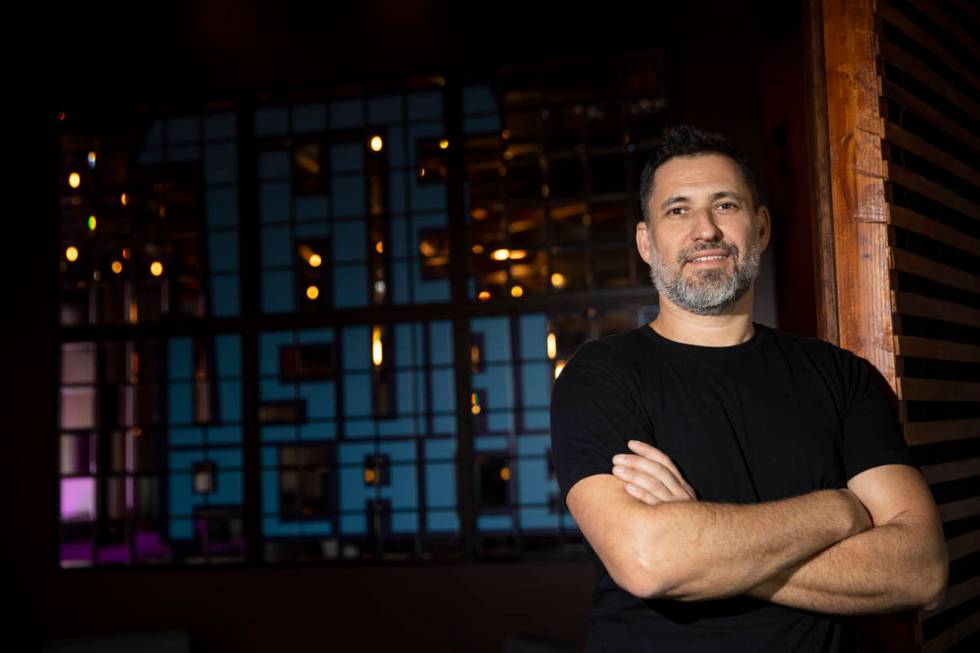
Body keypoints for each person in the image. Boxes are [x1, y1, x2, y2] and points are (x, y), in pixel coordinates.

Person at [549, 125, 948, 652]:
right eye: (678, 210)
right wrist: (840, 511)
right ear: (647, 242)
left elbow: (921, 570)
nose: (705, 231)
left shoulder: (840, 376)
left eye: (726, 205)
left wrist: (702, 546)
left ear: (759, 228)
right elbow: (650, 562)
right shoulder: (601, 375)